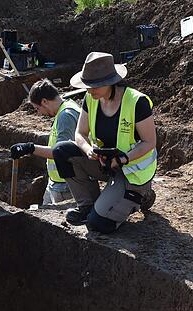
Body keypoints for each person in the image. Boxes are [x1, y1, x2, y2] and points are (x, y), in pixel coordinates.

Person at [51, 52, 157, 233]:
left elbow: (149, 142)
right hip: (105, 163)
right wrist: (88, 149)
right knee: (62, 151)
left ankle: (141, 195)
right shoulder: (90, 99)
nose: (90, 90)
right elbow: (80, 133)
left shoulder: (136, 102)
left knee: (98, 225)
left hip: (131, 171)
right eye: (87, 86)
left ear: (110, 82)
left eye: (94, 86)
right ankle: (87, 206)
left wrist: (122, 159)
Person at [10, 79, 81, 205]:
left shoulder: (66, 116)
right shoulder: (63, 111)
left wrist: (29, 148)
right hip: (55, 183)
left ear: (44, 101)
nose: (39, 113)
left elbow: (62, 152)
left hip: (66, 186)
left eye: (37, 108)